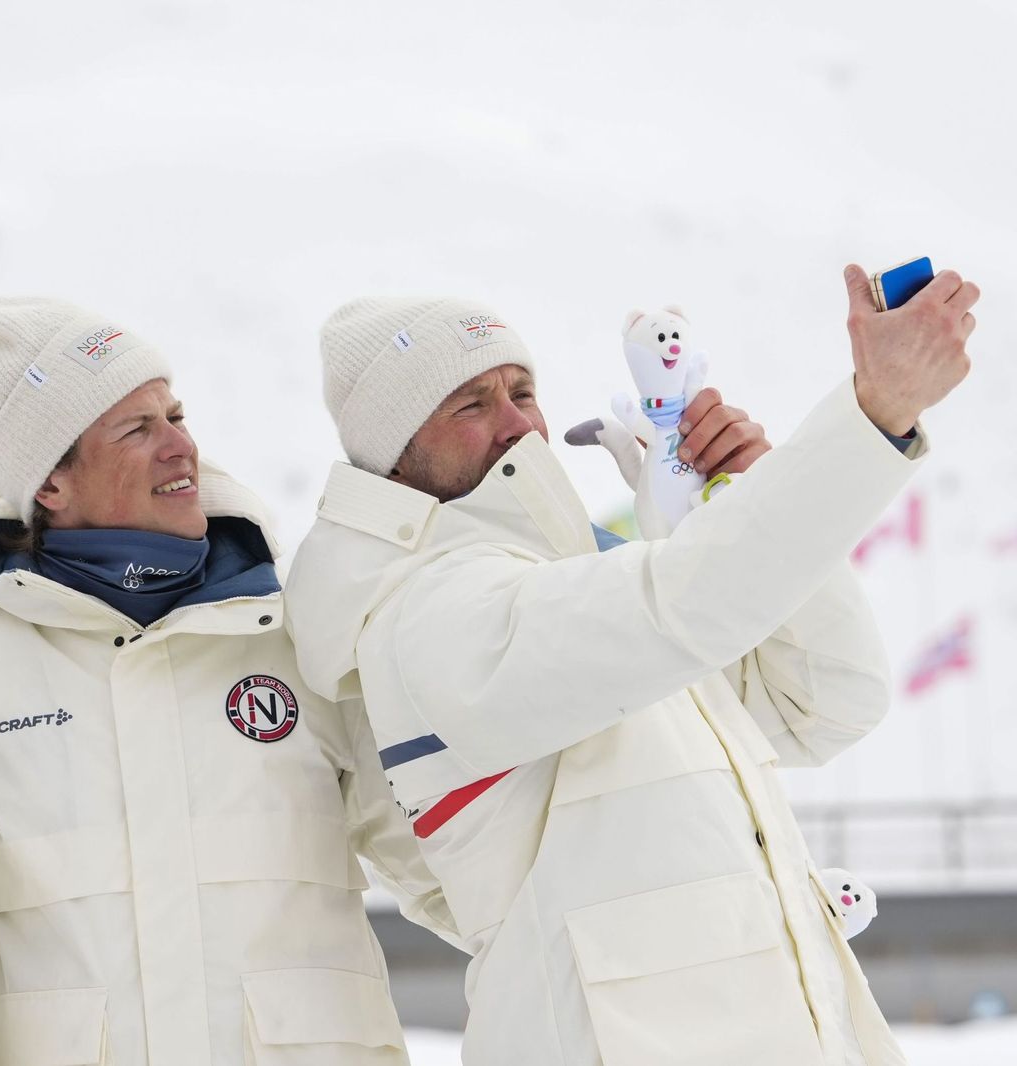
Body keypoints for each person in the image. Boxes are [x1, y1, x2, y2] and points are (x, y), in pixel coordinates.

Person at [284, 266, 980, 1065]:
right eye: (469, 404)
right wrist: (872, 414)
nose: (516, 423)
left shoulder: (571, 596)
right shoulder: (422, 616)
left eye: (521, 390)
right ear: (393, 453)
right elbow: (681, 605)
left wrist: (743, 490)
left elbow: (823, 705)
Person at [0, 298, 455, 1066]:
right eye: (138, 428)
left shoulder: (301, 630)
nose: (181, 445)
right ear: (50, 485)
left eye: (176, 414)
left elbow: (448, 858)